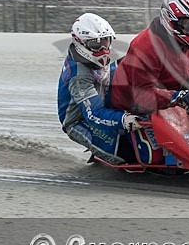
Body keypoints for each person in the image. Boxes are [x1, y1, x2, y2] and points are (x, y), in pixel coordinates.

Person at [109, 0, 189, 115]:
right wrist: (177, 97)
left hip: (170, 85)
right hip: (132, 101)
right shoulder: (145, 47)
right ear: (171, 21)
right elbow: (142, 95)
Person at [58, 13, 139, 164]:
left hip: (103, 97)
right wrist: (123, 120)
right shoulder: (78, 76)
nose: (103, 48)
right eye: (96, 44)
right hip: (80, 121)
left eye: (106, 41)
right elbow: (93, 114)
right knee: (127, 156)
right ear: (80, 43)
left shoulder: (100, 58)